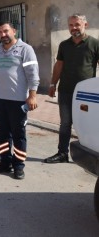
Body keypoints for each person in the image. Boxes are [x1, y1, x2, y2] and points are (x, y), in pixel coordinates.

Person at [0, 22, 39, 179]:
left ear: (14, 31)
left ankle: (18, 166)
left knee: (18, 134)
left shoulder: (25, 49)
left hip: (18, 101)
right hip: (0, 100)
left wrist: (33, 95)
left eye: (6, 31)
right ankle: (5, 162)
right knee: (2, 134)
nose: (3, 34)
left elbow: (32, 74)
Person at [45, 14, 99, 163]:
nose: (73, 28)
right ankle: (62, 153)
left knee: (87, 123)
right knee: (65, 124)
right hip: (66, 90)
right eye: (70, 25)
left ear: (85, 25)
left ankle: (90, 154)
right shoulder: (64, 45)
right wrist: (52, 84)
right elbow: (59, 65)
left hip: (86, 95)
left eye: (77, 24)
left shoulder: (94, 44)